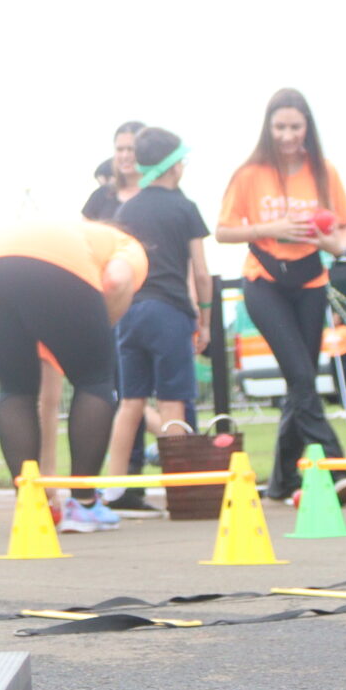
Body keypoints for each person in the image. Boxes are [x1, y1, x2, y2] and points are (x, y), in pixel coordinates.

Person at [0, 218, 142, 534]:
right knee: (94, 378)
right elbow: (117, 281)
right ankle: (84, 505)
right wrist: (96, 335)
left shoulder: (73, 231)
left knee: (15, 388)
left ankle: (31, 507)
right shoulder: (127, 244)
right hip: (50, 264)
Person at [216, 88, 346, 503]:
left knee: (302, 380)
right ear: (268, 127)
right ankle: (335, 468)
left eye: (295, 127)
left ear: (307, 127)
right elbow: (223, 230)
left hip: (310, 282)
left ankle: (281, 480)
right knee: (300, 374)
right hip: (264, 281)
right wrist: (269, 229)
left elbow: (345, 228)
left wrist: (335, 243)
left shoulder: (324, 171)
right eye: (280, 127)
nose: (288, 135)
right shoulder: (250, 173)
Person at [107, 128, 210, 505]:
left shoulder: (125, 210)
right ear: (174, 166)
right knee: (172, 404)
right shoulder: (185, 208)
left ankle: (113, 489)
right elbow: (201, 272)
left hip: (131, 312)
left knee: (130, 403)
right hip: (170, 311)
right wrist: (205, 318)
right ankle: (180, 492)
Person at [81, 122, 147, 222]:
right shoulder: (101, 195)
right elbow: (84, 229)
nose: (125, 155)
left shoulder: (157, 198)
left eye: (131, 149)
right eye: (120, 149)